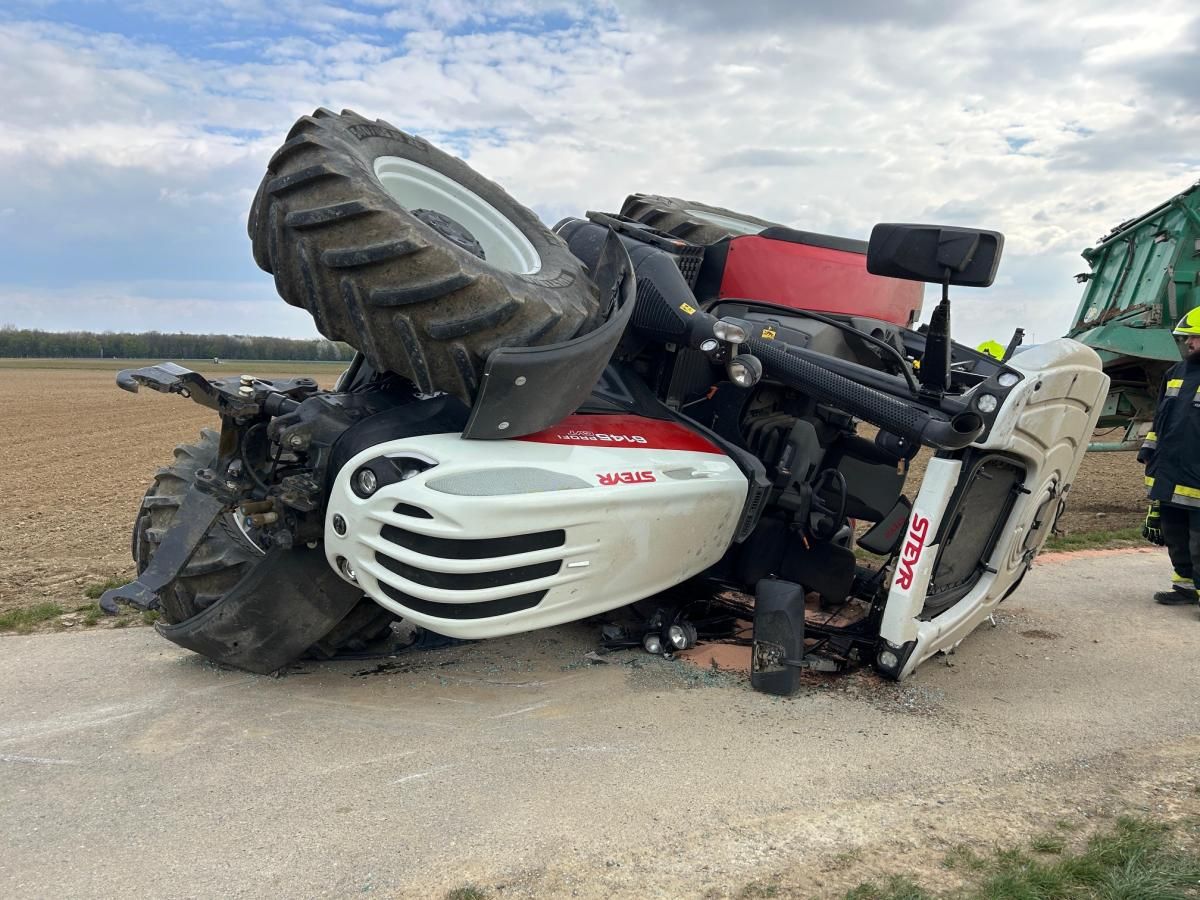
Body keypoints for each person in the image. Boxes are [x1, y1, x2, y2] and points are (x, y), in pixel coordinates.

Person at [1139, 308, 1200, 607]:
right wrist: (1149, 452)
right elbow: (1161, 420)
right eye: (1187, 337)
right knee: (1176, 534)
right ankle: (1186, 587)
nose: (1188, 342)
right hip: (1171, 472)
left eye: (1195, 336)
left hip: (1197, 474)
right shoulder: (1175, 374)